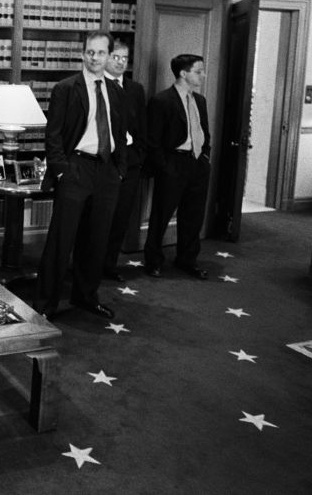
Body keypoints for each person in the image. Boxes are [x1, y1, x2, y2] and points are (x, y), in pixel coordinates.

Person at [35, 30, 126, 320]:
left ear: (109, 56)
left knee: (96, 239)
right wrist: (62, 172)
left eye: (100, 53)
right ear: (82, 54)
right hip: (75, 169)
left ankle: (86, 296)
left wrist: (119, 169)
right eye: (90, 52)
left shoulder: (116, 90)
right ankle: (46, 304)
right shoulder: (66, 88)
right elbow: (54, 135)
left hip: (106, 172)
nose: (95, 58)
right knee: (61, 241)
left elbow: (120, 133)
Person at [142, 54, 211, 280]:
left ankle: (187, 260)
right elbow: (152, 141)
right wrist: (165, 167)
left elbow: (204, 133)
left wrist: (205, 157)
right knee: (161, 215)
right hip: (173, 164)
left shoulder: (200, 100)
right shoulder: (161, 101)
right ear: (183, 73)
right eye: (198, 71)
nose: (203, 75)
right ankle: (153, 261)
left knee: (193, 216)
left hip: (197, 164)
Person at [102, 40, 147, 282]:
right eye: (116, 57)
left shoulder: (135, 89)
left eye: (124, 58)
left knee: (120, 217)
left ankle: (109, 265)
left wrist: (138, 157)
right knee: (100, 218)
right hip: (105, 163)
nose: (120, 62)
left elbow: (142, 125)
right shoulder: (96, 86)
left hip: (129, 163)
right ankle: (89, 266)